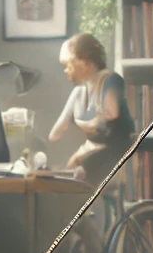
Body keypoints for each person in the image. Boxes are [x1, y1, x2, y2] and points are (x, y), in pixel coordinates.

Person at [48, 32, 135, 188]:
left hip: (115, 150)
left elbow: (111, 113)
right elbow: (55, 134)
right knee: (64, 180)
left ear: (85, 62)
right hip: (90, 150)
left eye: (69, 64)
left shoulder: (110, 80)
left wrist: (90, 124)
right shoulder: (79, 92)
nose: (66, 70)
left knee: (82, 172)